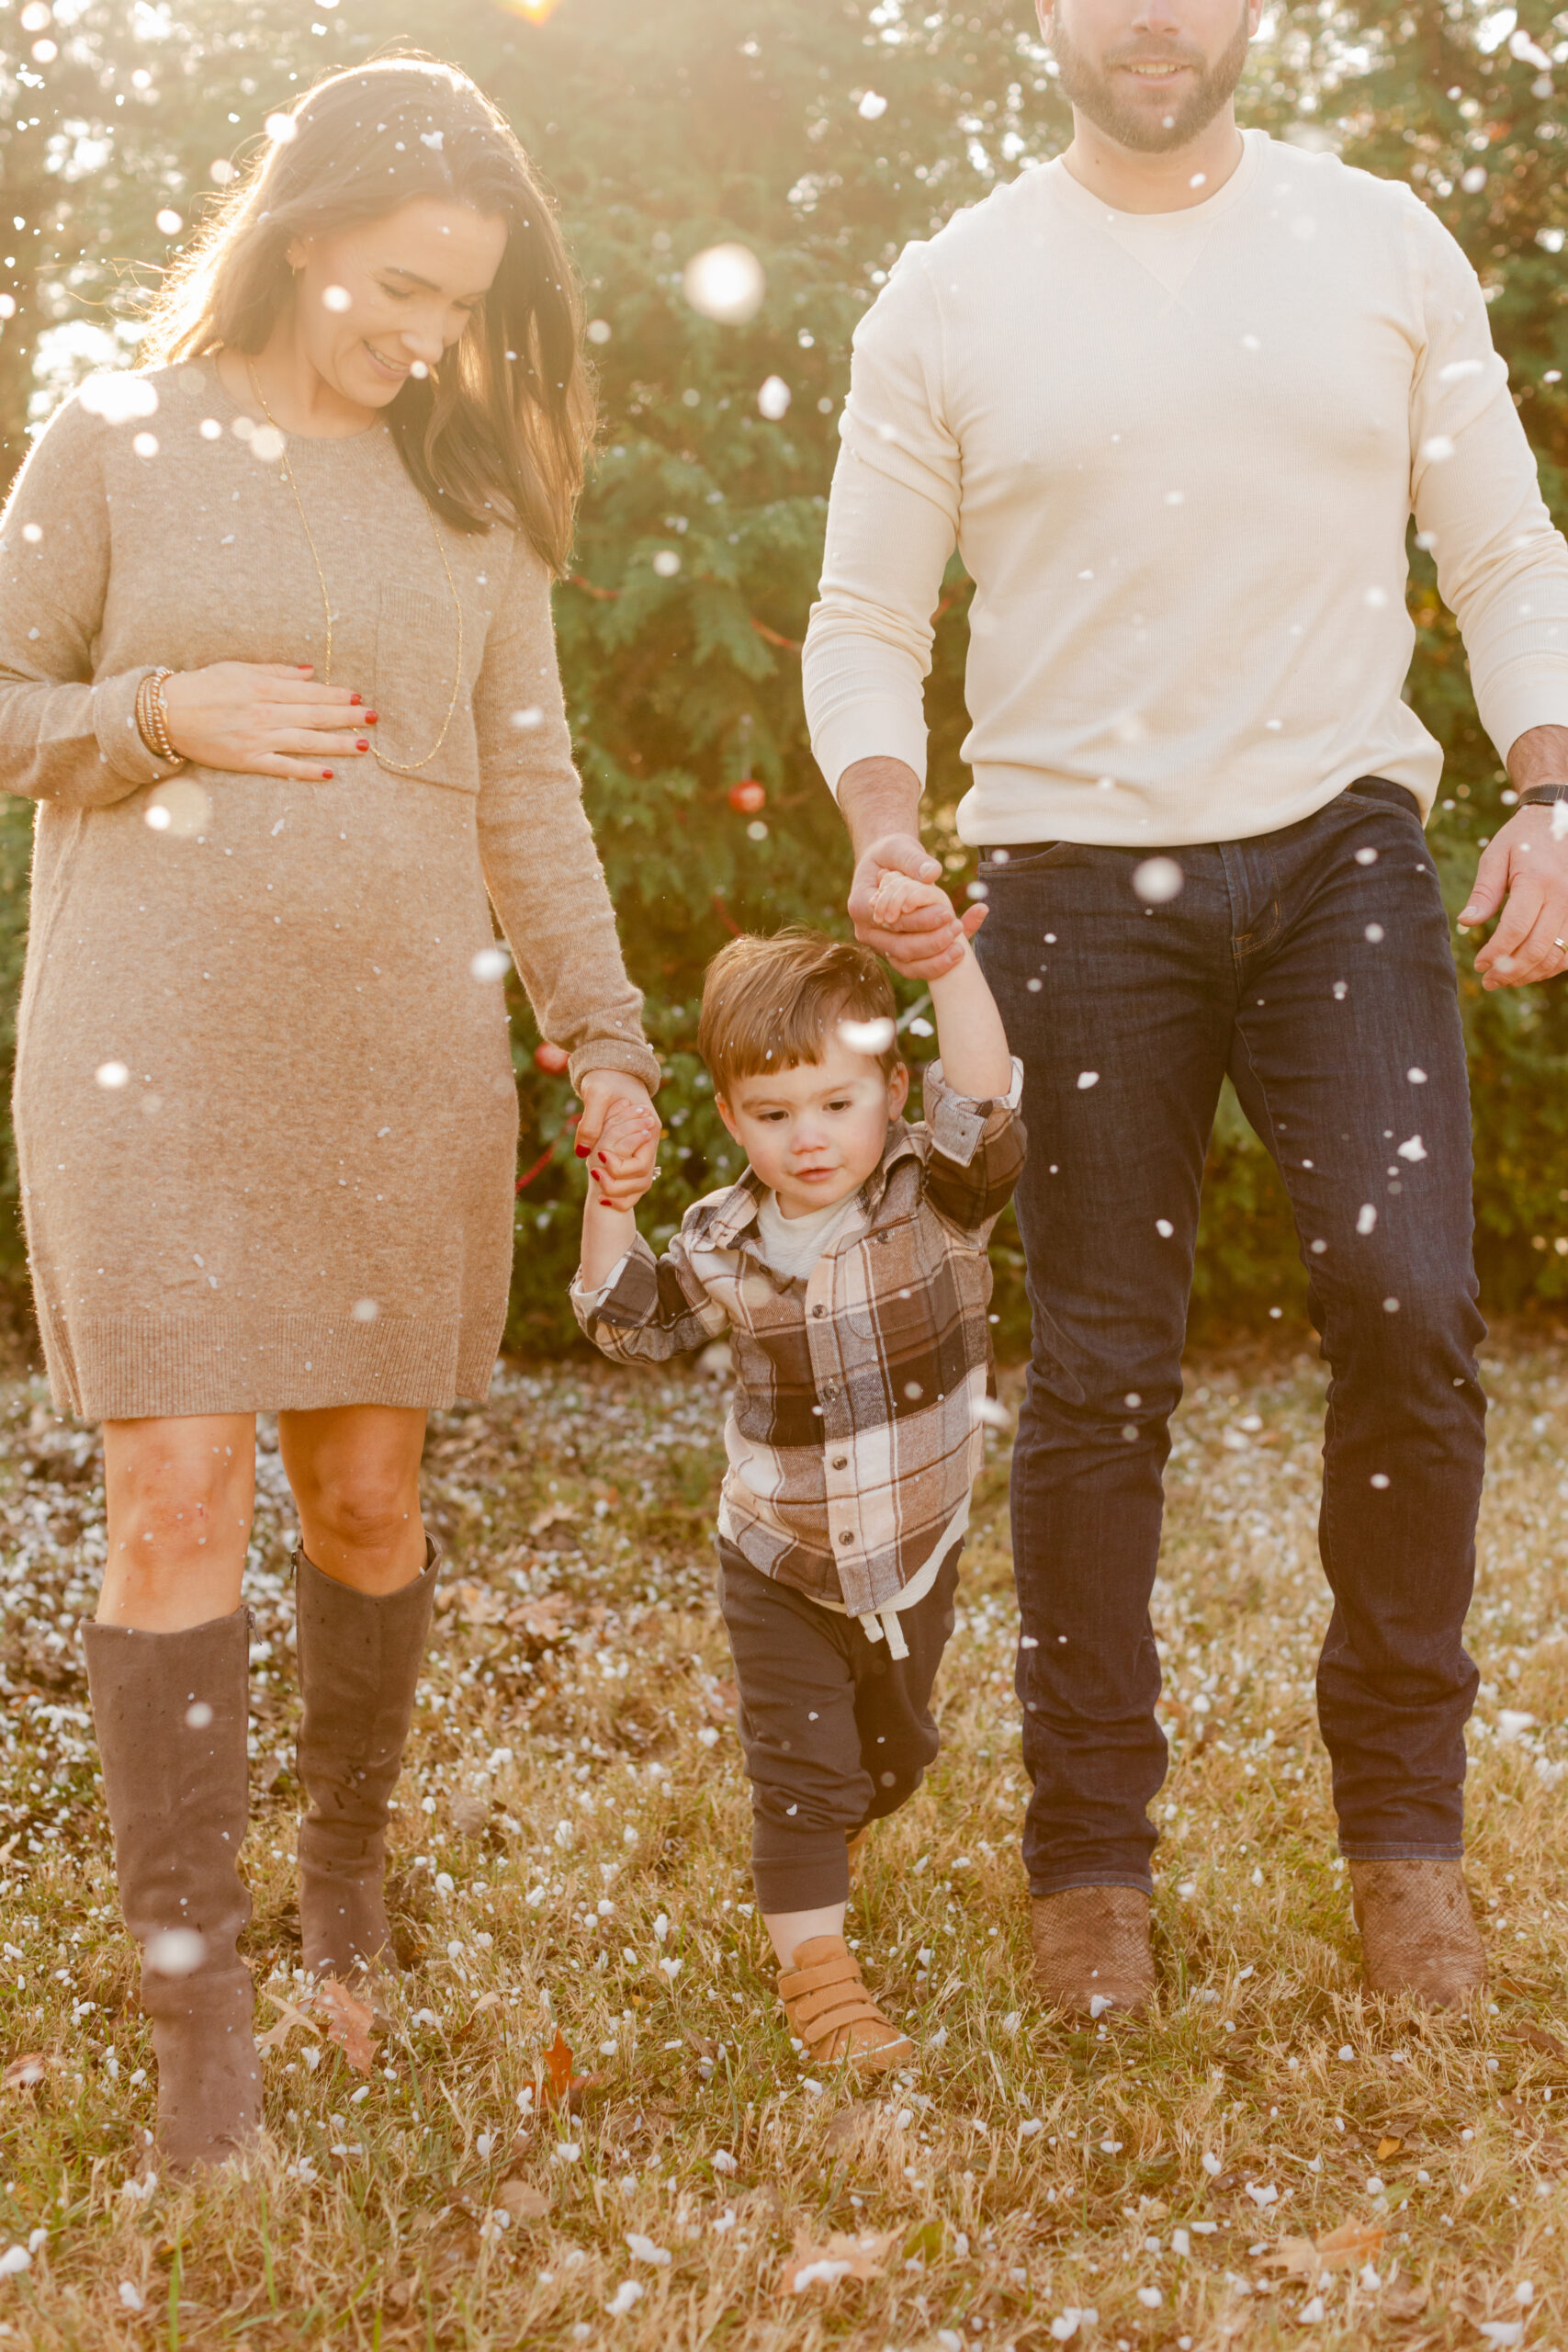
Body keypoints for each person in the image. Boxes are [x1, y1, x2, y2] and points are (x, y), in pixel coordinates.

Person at [803, 0, 1568, 2016]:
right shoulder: (952, 291)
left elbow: (1498, 545)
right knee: (1102, 1373)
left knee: (1407, 1304)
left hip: (1342, 857)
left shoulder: (1381, 241)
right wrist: (887, 821)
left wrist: (1551, 792)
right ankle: (1089, 1873)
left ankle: (1403, 1847)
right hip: (1068, 882)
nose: (1156, 11)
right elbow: (869, 614)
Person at [0, 58, 660, 2170]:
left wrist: (609, 1037)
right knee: (177, 1490)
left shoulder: (468, 502)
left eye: (459, 304)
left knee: (364, 1501)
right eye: (393, 284)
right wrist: (154, 709)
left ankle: (346, 1869)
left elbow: (529, 789)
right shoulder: (109, 436)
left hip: (393, 1054)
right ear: (299, 231)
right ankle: (205, 2035)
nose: (422, 336)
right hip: (147, 1050)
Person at [571, 923, 1022, 2068]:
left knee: (896, 1757)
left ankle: (836, 1824)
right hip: (775, 1555)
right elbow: (626, 1321)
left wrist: (946, 964)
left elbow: (986, 1095)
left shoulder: (940, 1193)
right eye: (774, 1115)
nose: (809, 1138)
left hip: (915, 1549)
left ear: (891, 1088)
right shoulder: (724, 1240)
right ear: (732, 1118)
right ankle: (819, 1978)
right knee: (803, 1772)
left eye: (836, 1103)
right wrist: (612, 1195)